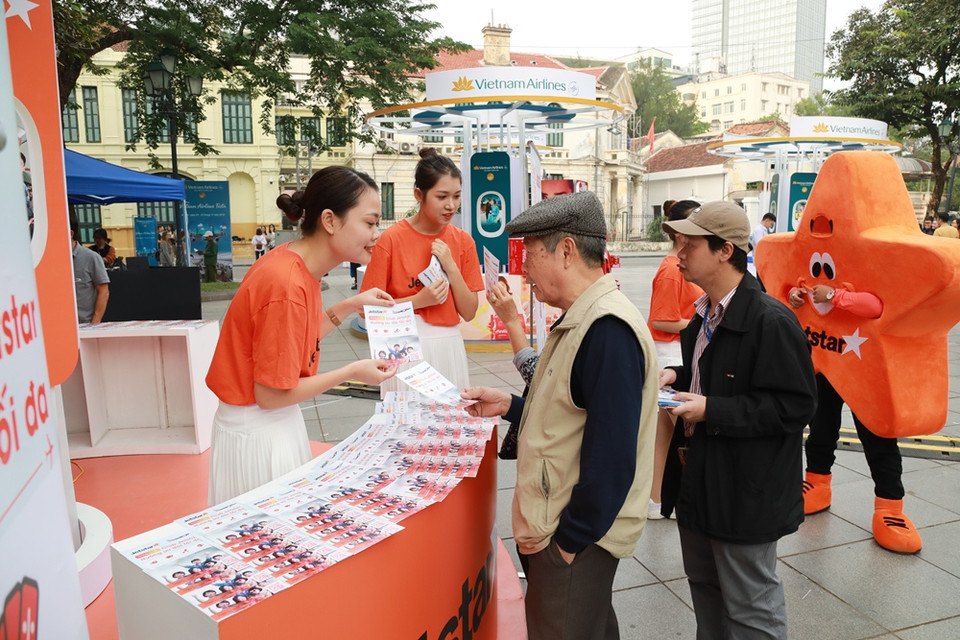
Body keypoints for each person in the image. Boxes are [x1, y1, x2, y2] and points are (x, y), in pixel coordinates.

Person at [461, 191, 659, 640]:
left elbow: (612, 460)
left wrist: (567, 546)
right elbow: (569, 412)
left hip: (573, 541)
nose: (524, 269)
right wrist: (510, 405)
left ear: (566, 251)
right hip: (563, 532)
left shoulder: (607, 330)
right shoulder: (580, 317)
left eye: (530, 253)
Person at [659, 201, 817, 639]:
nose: (679, 253)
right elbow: (711, 361)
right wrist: (677, 372)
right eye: (678, 243)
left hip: (745, 489)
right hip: (698, 478)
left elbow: (796, 406)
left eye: (689, 244)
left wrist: (711, 409)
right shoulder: (704, 311)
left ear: (725, 251)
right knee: (705, 589)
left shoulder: (771, 320)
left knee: (751, 605)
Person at [204, 165, 398, 505]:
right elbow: (272, 395)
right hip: (260, 432)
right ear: (330, 221)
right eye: (369, 222)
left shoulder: (295, 265)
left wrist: (351, 304)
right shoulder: (287, 284)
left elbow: (295, 342)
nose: (377, 233)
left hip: (265, 425)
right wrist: (353, 372)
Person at [788, 282, 922, 554]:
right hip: (828, 359)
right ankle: (817, 481)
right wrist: (795, 295)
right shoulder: (823, 252)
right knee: (821, 428)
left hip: (867, 367)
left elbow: (878, 304)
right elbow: (798, 284)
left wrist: (837, 296)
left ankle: (889, 505)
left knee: (877, 437)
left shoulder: (869, 254)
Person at [361, 148, 483, 395]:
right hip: (402, 343)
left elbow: (469, 312)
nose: (451, 205)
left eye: (457, 196)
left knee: (446, 426)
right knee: (406, 424)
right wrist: (418, 301)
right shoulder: (392, 239)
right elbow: (367, 311)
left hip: (449, 344)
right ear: (419, 194)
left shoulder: (463, 241)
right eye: (442, 196)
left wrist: (451, 266)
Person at [646, 199, 702, 520]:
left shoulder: (679, 265)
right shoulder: (671, 269)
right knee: (671, 436)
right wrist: (699, 323)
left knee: (668, 435)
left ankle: (658, 500)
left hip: (678, 353)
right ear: (681, 233)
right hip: (671, 354)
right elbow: (660, 320)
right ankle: (660, 500)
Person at [486, 278, 537, 459]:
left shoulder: (603, 327)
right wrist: (506, 404)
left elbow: (542, 382)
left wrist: (511, 321)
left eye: (531, 255)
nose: (526, 272)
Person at [70, 213, 110, 324]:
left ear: (70, 233)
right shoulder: (52, 258)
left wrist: (94, 324)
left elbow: (104, 291)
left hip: (84, 324)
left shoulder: (91, 257)